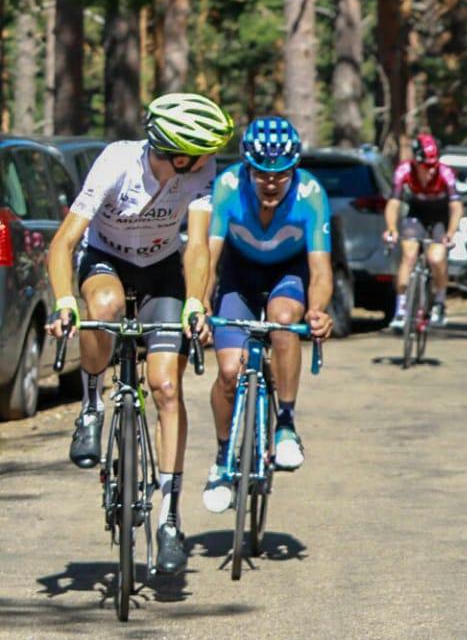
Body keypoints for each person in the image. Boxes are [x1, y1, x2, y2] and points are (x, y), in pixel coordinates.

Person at [45, 92, 234, 574]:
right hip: (107, 260)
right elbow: (63, 243)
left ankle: (169, 518)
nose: (209, 161)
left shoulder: (200, 174)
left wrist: (196, 300)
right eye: (202, 151)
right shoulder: (117, 164)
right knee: (103, 307)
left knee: (167, 387)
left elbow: (196, 248)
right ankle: (91, 406)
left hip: (161, 268)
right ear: (175, 150)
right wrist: (67, 300)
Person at [199, 116, 333, 513]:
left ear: (294, 169)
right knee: (228, 373)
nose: (271, 183)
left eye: (281, 174)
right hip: (238, 274)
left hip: (288, 273)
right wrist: (200, 302)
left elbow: (322, 268)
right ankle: (224, 457)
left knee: (284, 318)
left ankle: (286, 423)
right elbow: (208, 257)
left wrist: (318, 311)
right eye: (261, 174)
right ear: (247, 168)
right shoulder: (226, 187)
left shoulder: (310, 193)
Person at [384, 134, 462, 331]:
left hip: (440, 216)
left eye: (434, 164)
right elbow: (393, 203)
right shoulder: (404, 170)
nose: (431, 169)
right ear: (416, 162)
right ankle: (401, 308)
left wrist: (451, 232)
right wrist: (391, 228)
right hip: (416, 213)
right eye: (426, 165)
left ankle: (440, 302)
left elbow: (456, 206)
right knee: (408, 255)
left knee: (436, 258)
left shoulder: (446, 173)